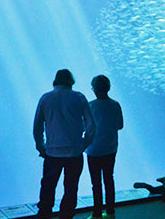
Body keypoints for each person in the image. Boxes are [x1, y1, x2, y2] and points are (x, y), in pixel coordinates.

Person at [33, 69, 96, 219]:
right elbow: (91, 125)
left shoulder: (45, 98)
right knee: (71, 187)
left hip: (52, 152)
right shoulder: (79, 97)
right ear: (71, 81)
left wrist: (41, 146)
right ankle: (66, 216)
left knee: (48, 186)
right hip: (75, 152)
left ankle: (44, 214)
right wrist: (84, 144)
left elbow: (37, 127)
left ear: (55, 80)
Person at [85, 75, 124, 219]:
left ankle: (97, 213)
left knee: (96, 183)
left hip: (93, 149)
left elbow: (85, 126)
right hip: (110, 148)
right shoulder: (115, 104)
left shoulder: (90, 106)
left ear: (95, 89)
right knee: (109, 179)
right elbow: (120, 125)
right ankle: (111, 211)